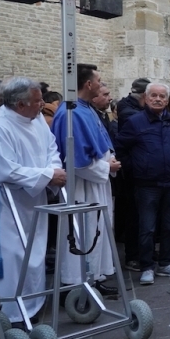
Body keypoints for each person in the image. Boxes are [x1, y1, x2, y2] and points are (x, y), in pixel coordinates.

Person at [0, 77, 66, 323]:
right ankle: (2, 312)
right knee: (8, 255)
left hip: (31, 198)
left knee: (32, 252)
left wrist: (53, 170)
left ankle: (30, 304)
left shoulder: (36, 119)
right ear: (19, 104)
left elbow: (51, 149)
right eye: (37, 101)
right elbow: (5, 170)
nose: (43, 105)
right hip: (1, 201)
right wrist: (48, 175)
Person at [52, 64, 120, 298]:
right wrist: (106, 166)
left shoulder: (86, 108)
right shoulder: (72, 112)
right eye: (99, 81)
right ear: (88, 84)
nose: (102, 85)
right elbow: (76, 161)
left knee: (97, 231)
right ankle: (75, 285)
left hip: (96, 183)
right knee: (84, 232)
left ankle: (94, 278)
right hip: (83, 186)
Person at [115, 83, 170, 285]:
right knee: (147, 227)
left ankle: (166, 263)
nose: (158, 99)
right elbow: (120, 148)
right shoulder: (135, 122)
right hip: (146, 184)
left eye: (162, 96)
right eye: (153, 95)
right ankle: (147, 266)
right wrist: (136, 168)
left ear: (167, 100)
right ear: (146, 99)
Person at [114, 77, 149, 271]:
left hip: (141, 169)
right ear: (145, 96)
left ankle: (143, 251)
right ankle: (133, 255)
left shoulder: (134, 108)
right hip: (133, 171)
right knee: (134, 215)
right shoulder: (129, 111)